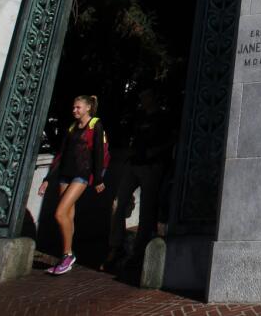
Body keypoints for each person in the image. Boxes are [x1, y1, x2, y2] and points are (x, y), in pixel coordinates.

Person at [39, 95, 109, 276]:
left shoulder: (95, 124)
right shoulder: (71, 127)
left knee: (59, 213)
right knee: (68, 215)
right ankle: (66, 255)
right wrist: (48, 178)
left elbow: (99, 153)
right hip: (65, 174)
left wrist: (99, 179)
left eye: (78, 107)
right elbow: (61, 154)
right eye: (73, 107)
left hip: (82, 175)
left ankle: (68, 255)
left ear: (87, 108)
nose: (74, 110)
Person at [106, 89, 175, 269]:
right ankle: (116, 246)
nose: (143, 99)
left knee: (147, 208)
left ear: (153, 98)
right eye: (141, 96)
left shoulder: (163, 118)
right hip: (134, 163)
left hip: (152, 165)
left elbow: (172, 140)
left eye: (146, 96)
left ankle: (141, 250)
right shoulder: (138, 117)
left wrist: (156, 152)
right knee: (118, 203)